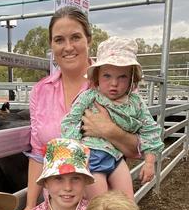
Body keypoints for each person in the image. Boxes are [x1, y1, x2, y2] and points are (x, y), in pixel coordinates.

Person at [20, 6, 141, 210]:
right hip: (60, 208)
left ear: (89, 40)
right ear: (51, 45)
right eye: (59, 40)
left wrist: (109, 130)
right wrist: (30, 205)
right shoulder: (41, 91)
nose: (68, 47)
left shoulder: (116, 85)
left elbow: (138, 148)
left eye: (75, 37)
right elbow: (39, 152)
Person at [61, 36, 163, 198]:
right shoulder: (89, 97)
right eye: (107, 76)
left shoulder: (136, 103)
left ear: (132, 80)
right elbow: (70, 121)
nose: (114, 83)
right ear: (97, 78)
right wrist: (75, 155)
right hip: (91, 158)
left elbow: (150, 130)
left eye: (122, 77)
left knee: (127, 204)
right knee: (101, 206)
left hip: (116, 159)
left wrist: (149, 162)